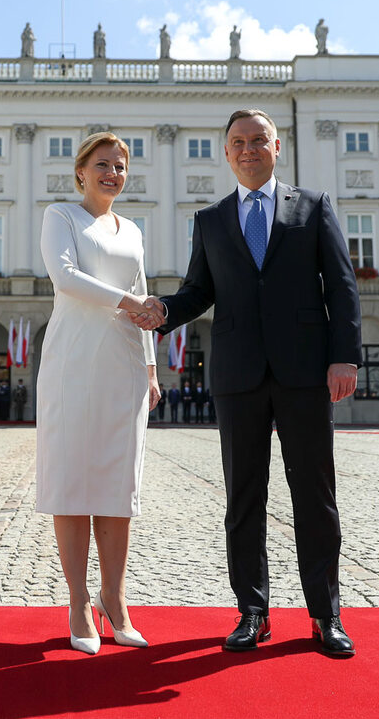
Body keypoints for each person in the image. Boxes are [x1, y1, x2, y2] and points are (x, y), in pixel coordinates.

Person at [145, 108, 361, 658]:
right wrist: (162, 310)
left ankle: (324, 615)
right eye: (237, 142)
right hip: (239, 376)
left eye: (258, 140)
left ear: (276, 146)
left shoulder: (312, 207)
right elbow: (199, 291)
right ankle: (253, 611)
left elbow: (340, 285)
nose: (248, 149)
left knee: (315, 496)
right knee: (244, 498)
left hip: (305, 371)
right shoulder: (211, 219)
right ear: (225, 152)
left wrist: (344, 357)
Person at [36, 132, 160, 656]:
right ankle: (78, 601)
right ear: (81, 171)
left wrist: (151, 367)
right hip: (72, 365)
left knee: (116, 485)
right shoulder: (61, 216)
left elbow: (146, 293)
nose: (113, 173)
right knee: (73, 481)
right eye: (103, 164)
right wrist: (132, 301)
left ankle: (116, 599)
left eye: (121, 166)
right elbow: (66, 279)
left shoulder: (131, 228)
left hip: (125, 366)